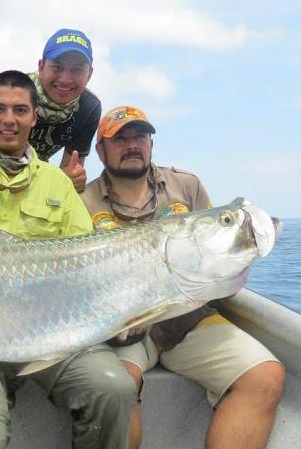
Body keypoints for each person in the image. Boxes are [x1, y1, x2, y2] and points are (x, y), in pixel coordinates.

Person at [0, 70, 137, 449]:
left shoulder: (56, 183)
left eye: (20, 110)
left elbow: (87, 262)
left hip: (51, 335)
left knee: (113, 387)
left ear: (34, 117)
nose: (9, 119)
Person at [81, 105, 285, 449]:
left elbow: (219, 259)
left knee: (265, 376)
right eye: (120, 139)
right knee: (114, 387)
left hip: (190, 317)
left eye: (140, 137)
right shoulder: (82, 200)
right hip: (120, 327)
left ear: (151, 144)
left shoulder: (185, 186)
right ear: (101, 150)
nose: (132, 144)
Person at [0, 28, 101, 193]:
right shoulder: (12, 90)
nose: (65, 79)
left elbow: (69, 171)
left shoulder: (89, 108)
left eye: (77, 69)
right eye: (57, 67)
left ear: (89, 74)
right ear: (41, 67)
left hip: (26, 181)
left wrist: (70, 182)